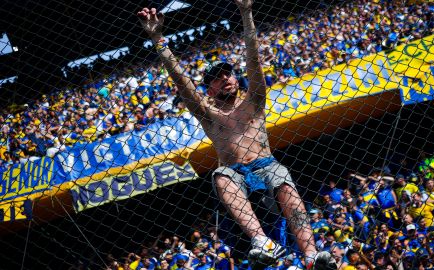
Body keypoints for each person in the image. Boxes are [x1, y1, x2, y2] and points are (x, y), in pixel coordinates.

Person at [137, 1, 330, 269]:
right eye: (217, 78)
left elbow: (255, 60)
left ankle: (311, 254)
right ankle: (262, 242)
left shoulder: (253, 101)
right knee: (221, 175)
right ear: (210, 90)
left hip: (266, 163)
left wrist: (246, 13)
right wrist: (158, 39)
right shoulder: (207, 113)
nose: (225, 78)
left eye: (228, 73)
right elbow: (182, 82)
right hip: (235, 172)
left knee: (283, 179)